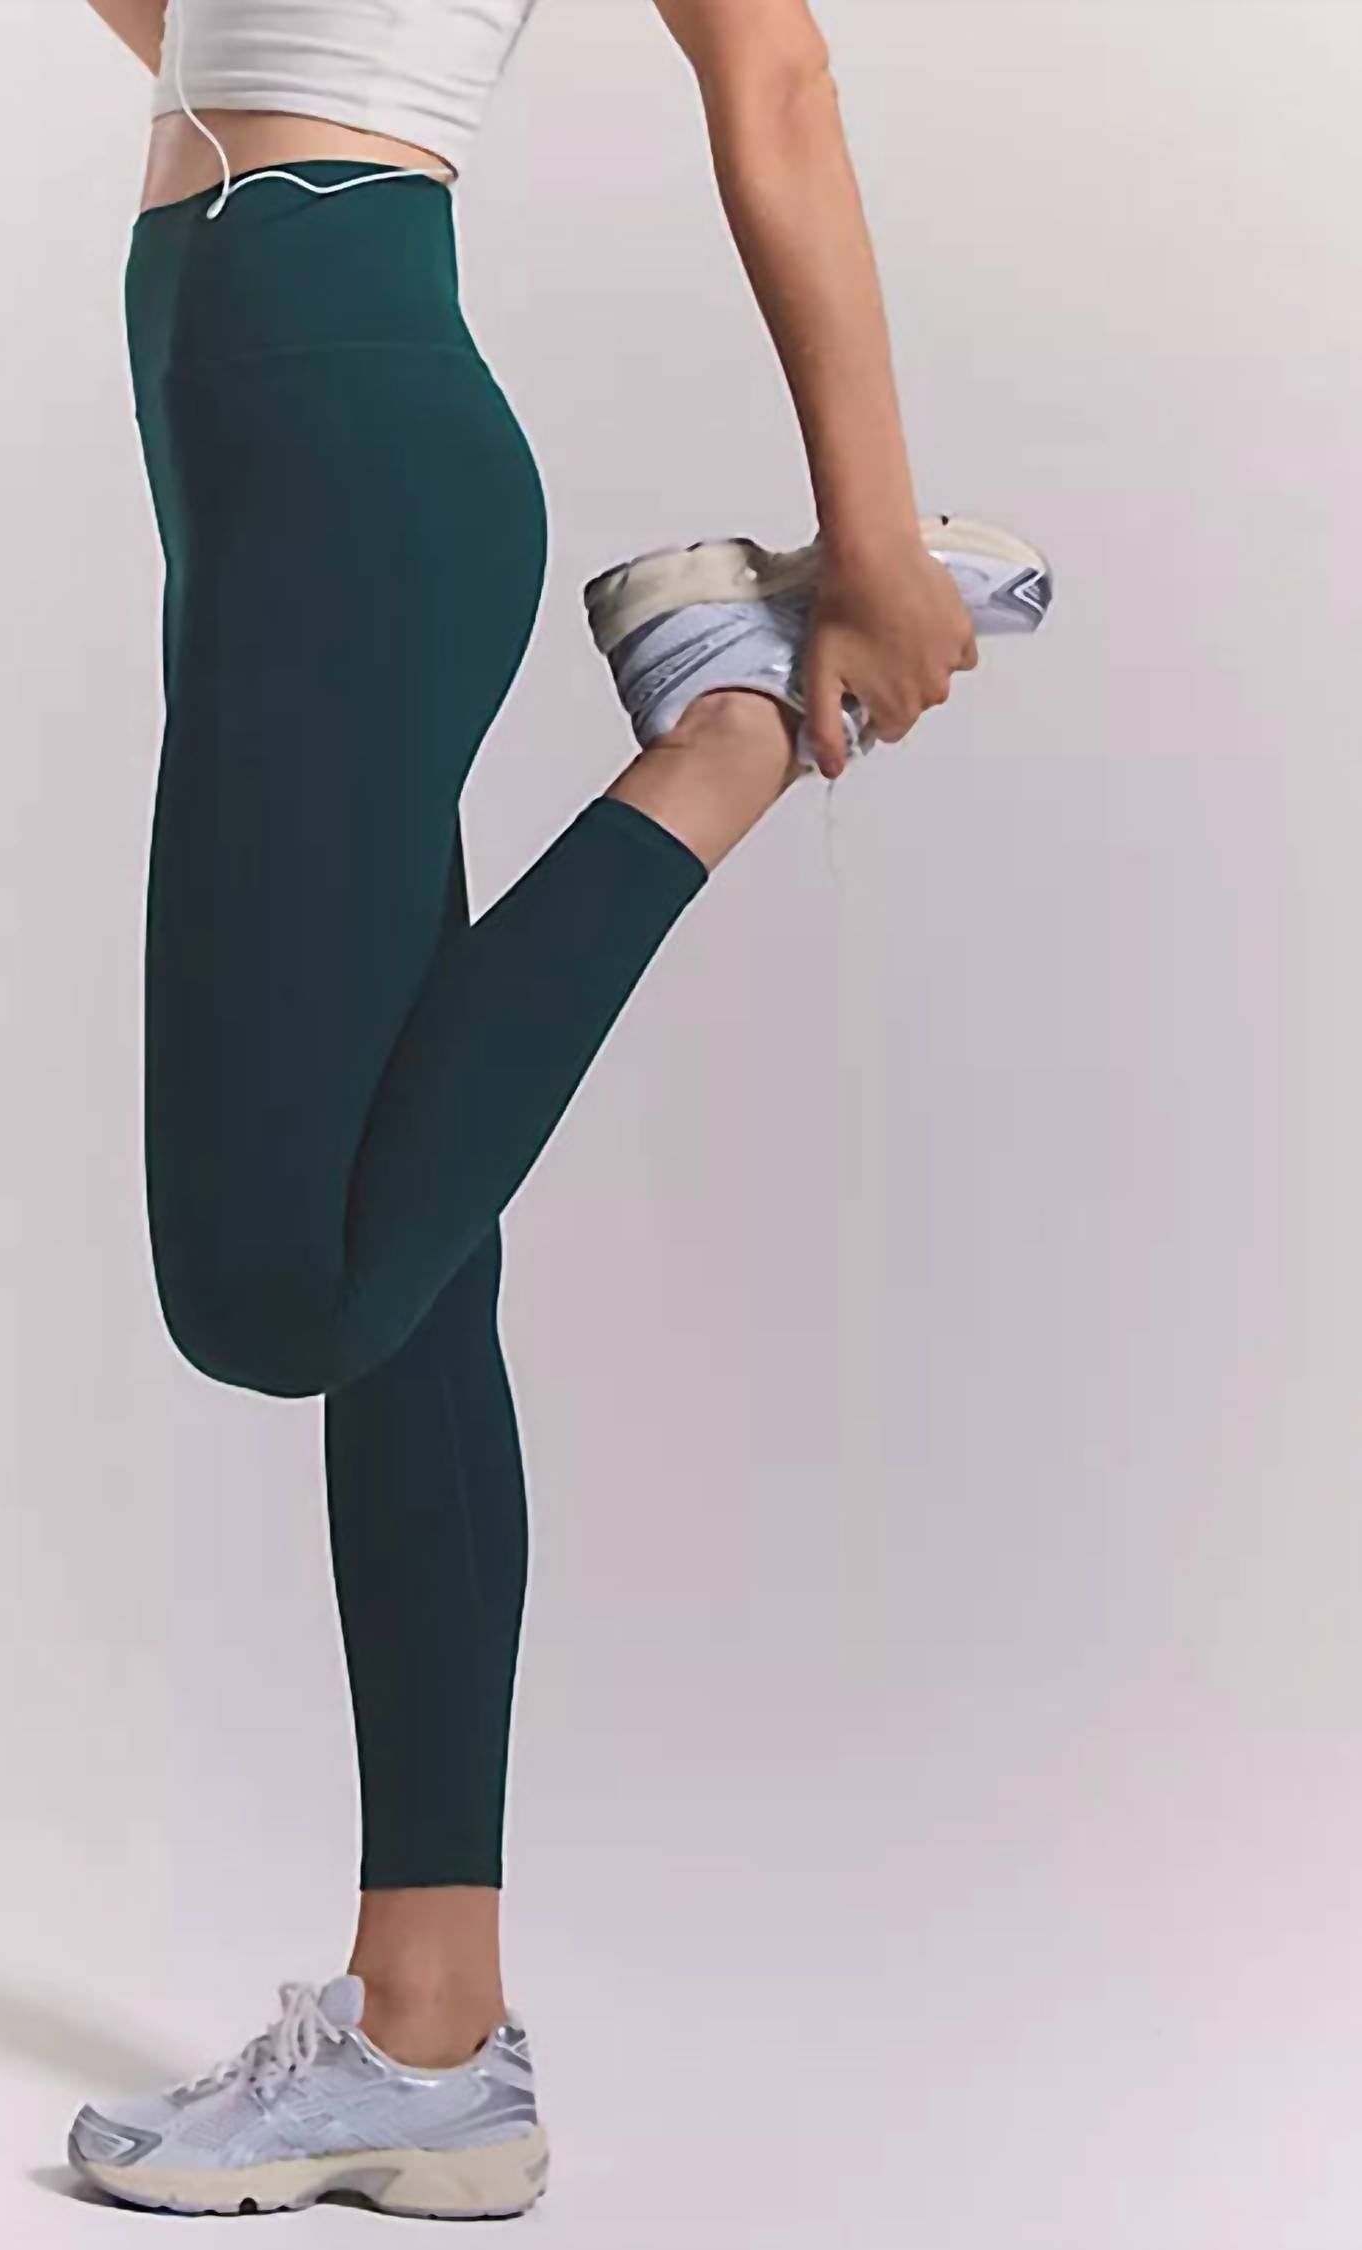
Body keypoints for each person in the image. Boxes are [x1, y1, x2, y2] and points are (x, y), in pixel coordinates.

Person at [68, 0, 1050, 2220]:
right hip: (257, 405)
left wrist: (872, 545)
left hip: (336, 403)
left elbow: (774, 75)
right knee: (405, 1296)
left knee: (274, 1291)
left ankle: (723, 737)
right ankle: (429, 2045)